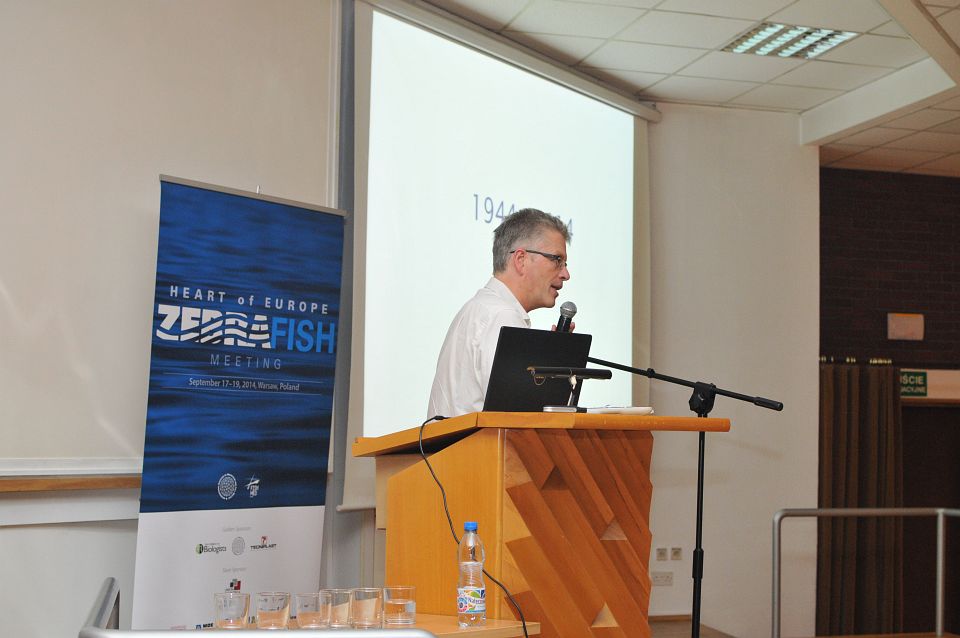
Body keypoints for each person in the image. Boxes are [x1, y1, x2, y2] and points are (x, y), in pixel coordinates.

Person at [427, 208, 571, 418]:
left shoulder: (481, 308)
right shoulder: (502, 317)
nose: (566, 274)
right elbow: (521, 417)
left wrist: (552, 360)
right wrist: (558, 366)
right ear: (521, 259)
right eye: (557, 260)